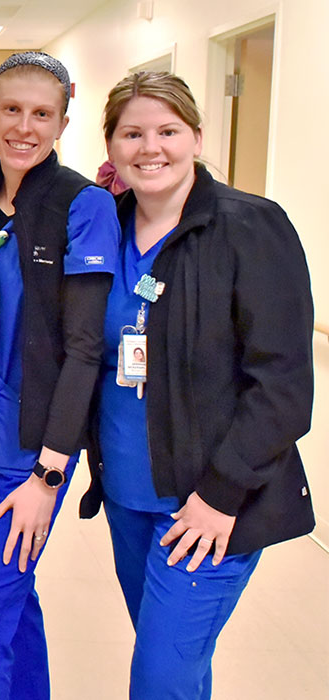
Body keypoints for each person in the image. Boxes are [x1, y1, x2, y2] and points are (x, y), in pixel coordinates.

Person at [83, 70, 315, 699]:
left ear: (197, 137)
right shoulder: (106, 227)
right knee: (175, 666)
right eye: (132, 133)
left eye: (167, 131)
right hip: (129, 496)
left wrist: (219, 496)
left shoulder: (249, 227)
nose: (149, 147)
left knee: (159, 679)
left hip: (212, 504)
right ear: (111, 146)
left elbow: (284, 386)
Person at [0, 52, 120, 699]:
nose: (24, 125)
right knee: (13, 599)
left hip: (29, 450)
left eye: (41, 113)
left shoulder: (83, 206)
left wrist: (49, 473)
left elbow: (84, 349)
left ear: (62, 122)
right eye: (11, 110)